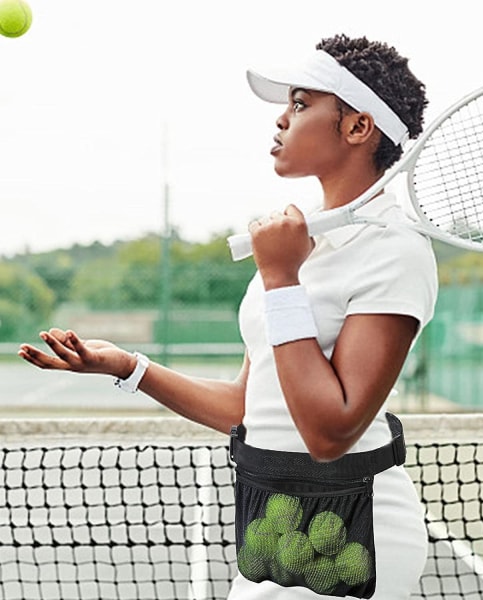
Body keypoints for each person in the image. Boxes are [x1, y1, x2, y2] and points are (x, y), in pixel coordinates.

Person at [19, 34, 438, 599]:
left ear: (358, 127)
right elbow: (250, 407)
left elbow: (330, 431)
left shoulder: (392, 250)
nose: (281, 121)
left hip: (354, 535)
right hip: (274, 522)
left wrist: (280, 277)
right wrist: (127, 367)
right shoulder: (295, 243)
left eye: (300, 104)